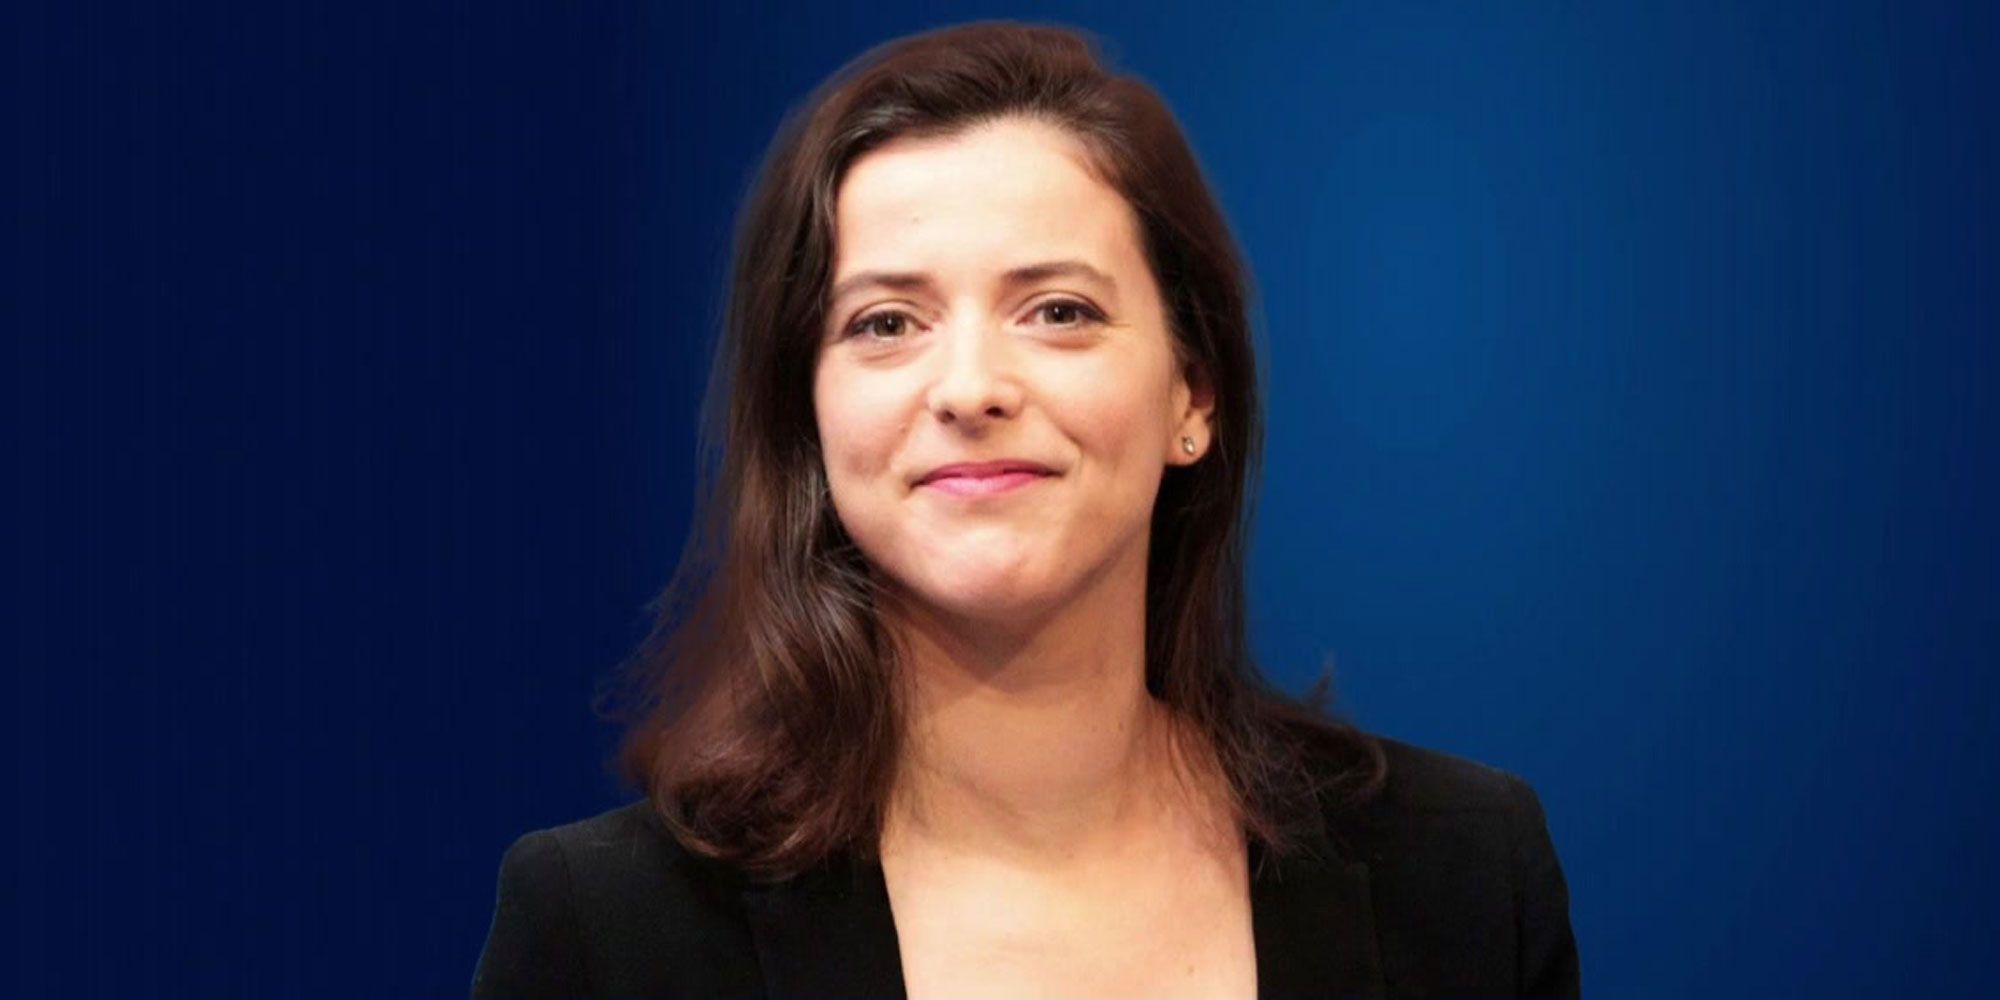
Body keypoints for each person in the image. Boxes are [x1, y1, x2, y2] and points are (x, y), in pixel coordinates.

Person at [471, 19, 1579, 1000]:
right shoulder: (605, 933)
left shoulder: (1464, 877)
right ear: (808, 413)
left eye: (1056, 310)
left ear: (1193, 395)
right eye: (886, 323)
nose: (970, 389)